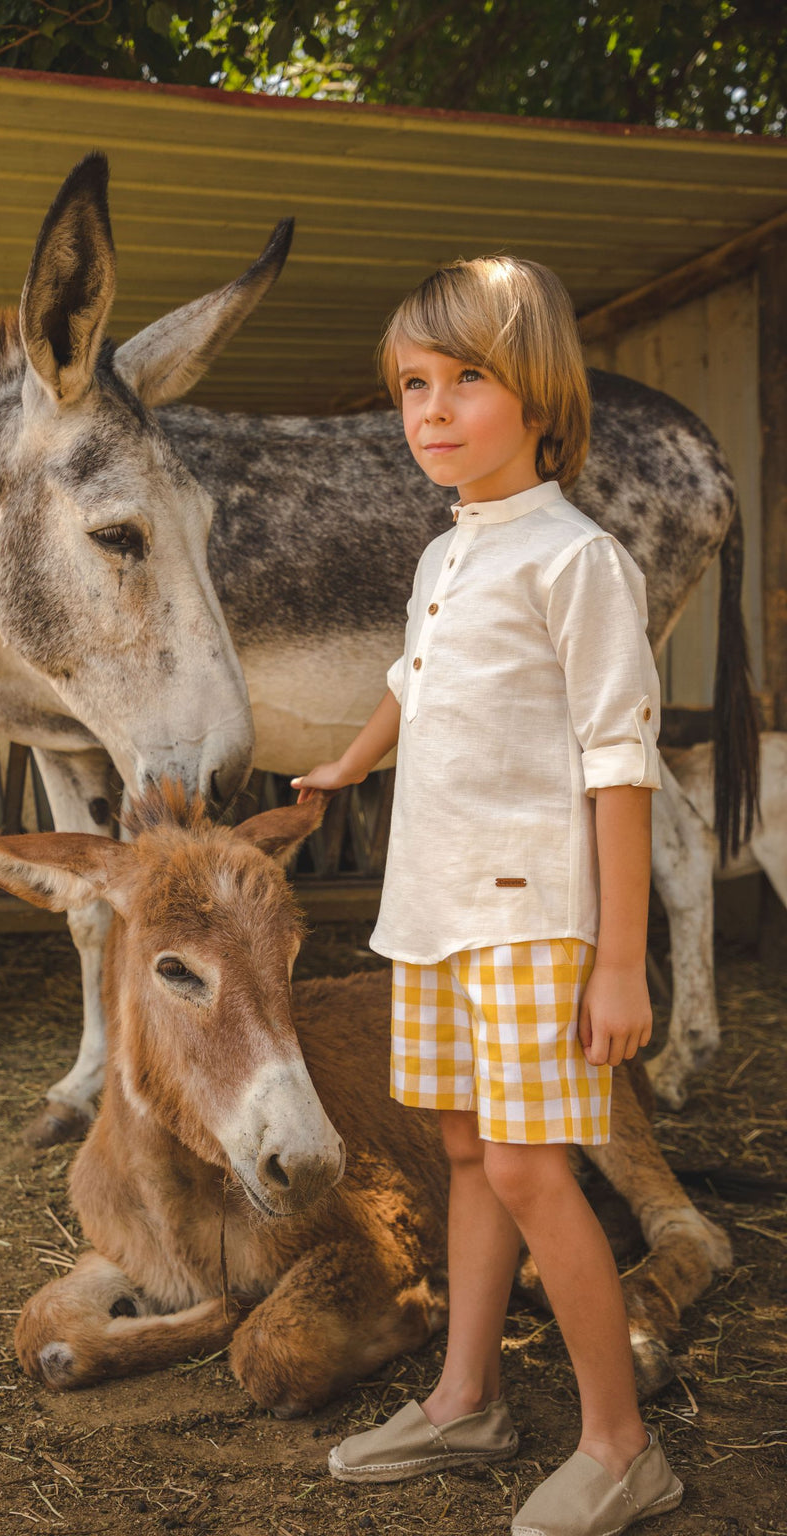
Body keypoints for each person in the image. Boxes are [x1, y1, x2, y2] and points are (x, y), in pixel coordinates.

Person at [291, 256, 682, 1536]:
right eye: (414, 384)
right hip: (434, 912)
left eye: (469, 379)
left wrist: (618, 959)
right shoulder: (447, 554)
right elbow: (416, 676)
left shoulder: (578, 564)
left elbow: (618, 764)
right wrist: (353, 759)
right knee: (463, 1147)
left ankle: (622, 1447)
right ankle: (467, 1397)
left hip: (533, 919)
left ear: (540, 394)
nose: (434, 409)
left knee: (525, 1166)